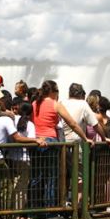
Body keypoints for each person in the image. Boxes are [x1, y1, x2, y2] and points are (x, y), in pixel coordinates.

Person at [32, 80, 92, 211]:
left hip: (35, 142)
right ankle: (51, 211)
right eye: (57, 91)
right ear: (53, 92)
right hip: (51, 142)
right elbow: (72, 123)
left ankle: (33, 209)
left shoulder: (34, 103)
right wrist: (85, 138)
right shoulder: (55, 105)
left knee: (37, 177)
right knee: (51, 178)